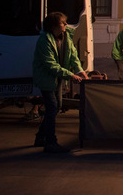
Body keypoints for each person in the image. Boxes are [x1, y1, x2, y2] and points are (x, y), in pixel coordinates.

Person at [32, 12, 88, 153]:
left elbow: (73, 55)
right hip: (46, 79)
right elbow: (50, 64)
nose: (65, 25)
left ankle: (40, 137)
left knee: (56, 107)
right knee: (52, 107)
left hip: (57, 78)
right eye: (63, 23)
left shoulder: (66, 37)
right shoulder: (44, 41)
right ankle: (50, 143)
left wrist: (79, 70)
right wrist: (70, 75)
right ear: (54, 25)